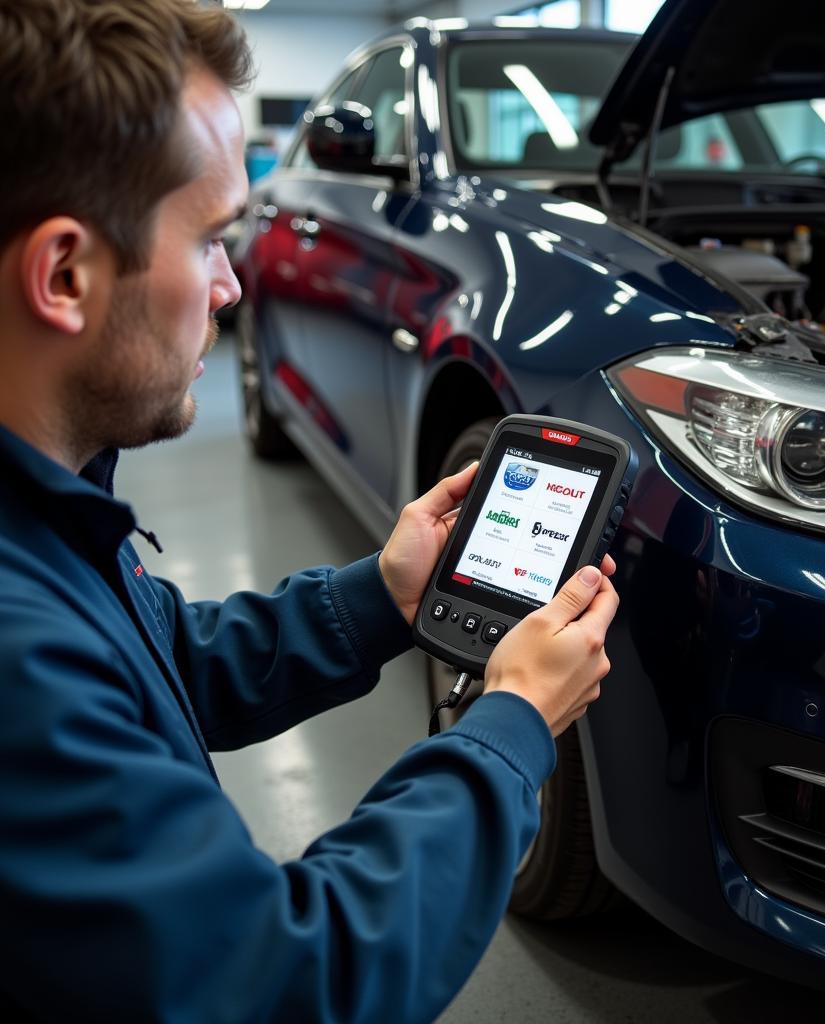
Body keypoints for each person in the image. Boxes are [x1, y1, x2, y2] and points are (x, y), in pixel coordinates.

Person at [0, 1, 618, 1020]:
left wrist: (379, 594)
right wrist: (510, 726)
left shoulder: (49, 524)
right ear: (65, 273)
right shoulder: (17, 649)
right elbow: (292, 978)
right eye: (209, 239)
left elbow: (158, 669)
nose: (235, 285)